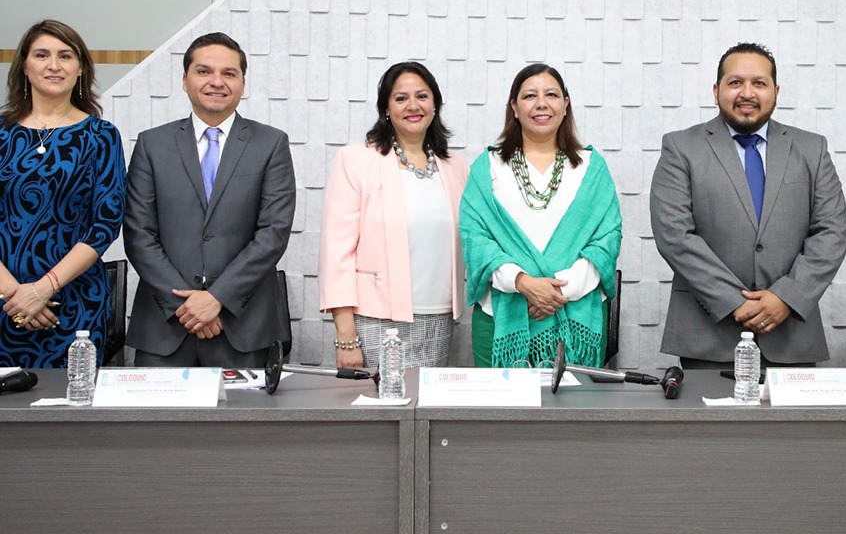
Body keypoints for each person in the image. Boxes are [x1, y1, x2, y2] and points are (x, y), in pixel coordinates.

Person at [652, 42, 846, 368]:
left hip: (791, 334)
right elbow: (674, 235)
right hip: (709, 336)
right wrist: (733, 301)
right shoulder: (680, 147)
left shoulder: (812, 149)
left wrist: (786, 297)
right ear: (716, 91)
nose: (747, 93)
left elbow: (832, 232)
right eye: (735, 82)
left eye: (759, 83)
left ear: (776, 91)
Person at [124, 32, 295, 367]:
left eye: (229, 73)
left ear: (243, 83)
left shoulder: (271, 144)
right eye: (204, 71)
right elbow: (138, 234)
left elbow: (272, 234)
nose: (217, 82)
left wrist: (218, 298)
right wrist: (186, 307)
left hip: (243, 327)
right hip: (165, 327)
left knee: (243, 406)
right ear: (185, 80)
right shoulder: (152, 144)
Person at [460, 63, 621, 368]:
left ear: (565, 104)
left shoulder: (591, 167)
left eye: (552, 95)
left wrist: (558, 291)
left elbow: (607, 239)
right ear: (514, 107)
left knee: (577, 400)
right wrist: (523, 283)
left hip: (577, 310)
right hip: (501, 315)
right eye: (529, 96)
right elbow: (476, 238)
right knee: (502, 400)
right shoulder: (488, 166)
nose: (541, 103)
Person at [318, 62, 468, 369]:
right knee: (379, 399)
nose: (413, 106)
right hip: (376, 321)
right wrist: (346, 337)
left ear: (435, 104)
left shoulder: (455, 165)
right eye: (401, 98)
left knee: (426, 400)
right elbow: (337, 254)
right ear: (386, 108)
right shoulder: (356, 160)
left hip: (440, 318)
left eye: (422, 96)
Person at [0, 20, 126, 367]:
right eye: (42, 55)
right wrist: (15, 295)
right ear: (24, 66)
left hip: (74, 307)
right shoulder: (1, 133)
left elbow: (105, 225)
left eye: (65, 56)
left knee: (70, 399)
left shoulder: (102, 136)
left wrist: (42, 289)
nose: (53, 65)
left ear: (80, 67)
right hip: (3, 300)